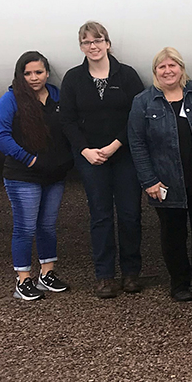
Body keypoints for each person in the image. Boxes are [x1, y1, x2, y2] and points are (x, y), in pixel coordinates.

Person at [60, 21, 145, 298]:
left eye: (98, 41)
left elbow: (137, 115)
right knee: (100, 215)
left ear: (107, 43)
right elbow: (68, 120)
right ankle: (105, 276)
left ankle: (131, 272)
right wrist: (85, 150)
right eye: (86, 42)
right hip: (90, 157)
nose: (93, 47)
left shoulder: (127, 75)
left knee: (130, 214)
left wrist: (114, 145)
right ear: (81, 47)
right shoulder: (73, 79)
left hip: (124, 154)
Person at [127, 48, 192, 302]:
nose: (168, 71)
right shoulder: (143, 102)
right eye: (162, 67)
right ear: (155, 72)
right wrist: (149, 180)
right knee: (173, 235)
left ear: (181, 68)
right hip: (165, 180)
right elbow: (137, 143)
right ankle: (179, 283)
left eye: (172, 65)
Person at [0, 51, 74, 301]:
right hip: (23, 175)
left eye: (38, 72)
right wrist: (30, 159)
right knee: (25, 228)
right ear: (20, 75)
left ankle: (47, 274)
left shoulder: (58, 96)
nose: (33, 77)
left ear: (47, 73)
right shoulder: (10, 100)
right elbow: (1, 135)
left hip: (53, 175)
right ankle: (23, 280)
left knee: (47, 227)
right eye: (27, 73)